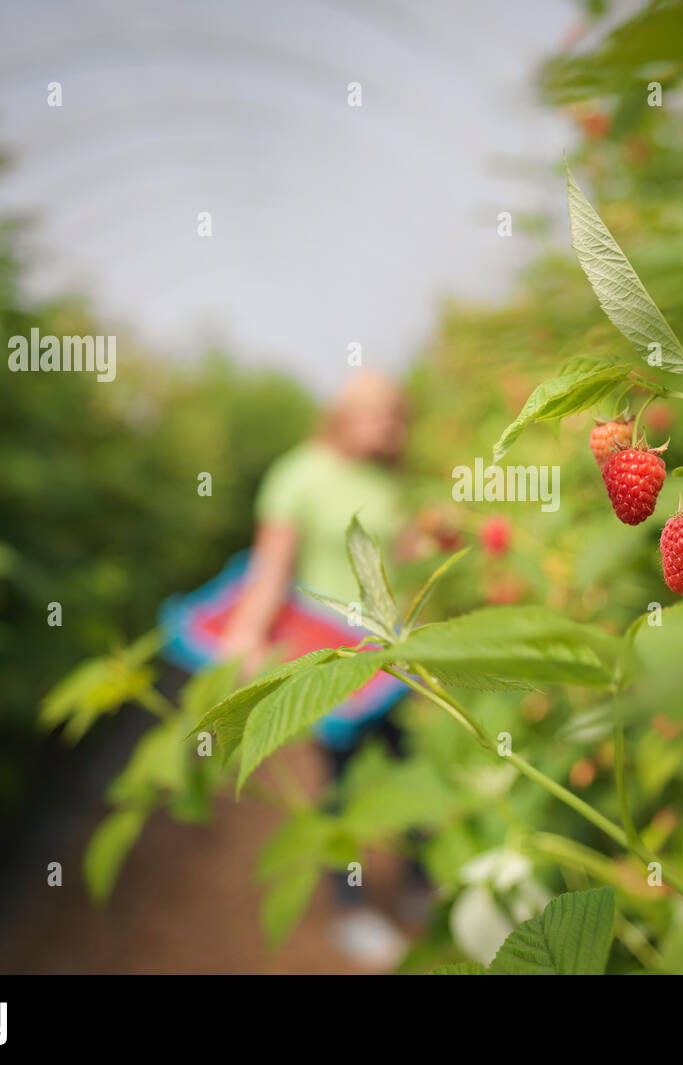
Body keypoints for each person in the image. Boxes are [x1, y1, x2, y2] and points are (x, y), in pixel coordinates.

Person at [157, 369, 416, 969]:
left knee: (415, 769)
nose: (391, 428)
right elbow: (270, 569)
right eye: (379, 415)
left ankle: (420, 882)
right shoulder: (297, 474)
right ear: (345, 414)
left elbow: (400, 558)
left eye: (398, 417)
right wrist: (243, 644)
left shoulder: (391, 480)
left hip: (393, 654)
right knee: (341, 781)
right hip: (330, 651)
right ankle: (351, 908)